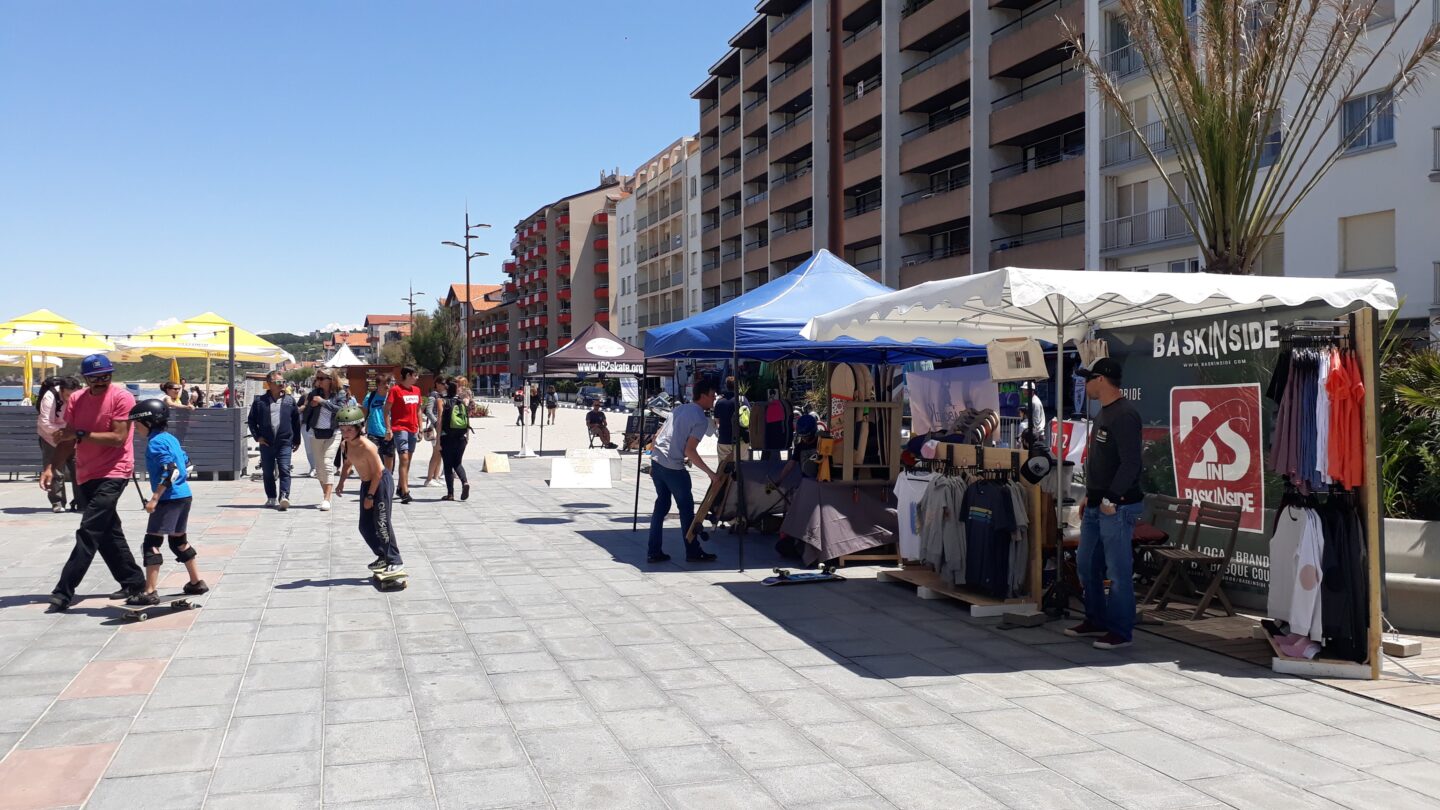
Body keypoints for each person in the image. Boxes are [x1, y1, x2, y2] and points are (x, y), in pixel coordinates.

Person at [38, 354, 147, 611]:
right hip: (86, 472)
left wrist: (79, 433)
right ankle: (134, 582)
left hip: (116, 471)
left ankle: (63, 590)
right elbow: (67, 439)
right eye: (94, 377)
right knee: (107, 531)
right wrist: (51, 467)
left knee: (89, 529)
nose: (100, 381)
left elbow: (118, 438)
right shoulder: (76, 399)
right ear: (85, 378)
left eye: (105, 376)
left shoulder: (122, 398)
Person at [1066, 358, 1145, 651]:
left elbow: (1131, 463)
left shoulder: (1124, 415)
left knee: (1118, 572)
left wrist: (1111, 497)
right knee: (1086, 564)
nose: (1084, 384)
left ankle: (1121, 631)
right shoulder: (1105, 412)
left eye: (1088, 378)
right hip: (1098, 503)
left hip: (1117, 506)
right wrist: (1092, 495)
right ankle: (1096, 619)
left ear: (1101, 379)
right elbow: (1104, 461)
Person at [127, 398, 208, 605]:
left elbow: (170, 471)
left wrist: (155, 498)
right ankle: (196, 582)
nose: (135, 429)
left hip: (168, 498)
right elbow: (186, 464)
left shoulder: (155, 442)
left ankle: (150, 591)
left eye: (137, 424)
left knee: (152, 543)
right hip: (184, 495)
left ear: (148, 422)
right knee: (178, 541)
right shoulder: (170, 438)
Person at [646, 379, 720, 564]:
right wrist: (711, 473)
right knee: (686, 509)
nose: (714, 399)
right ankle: (693, 551)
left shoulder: (679, 409)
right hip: (673, 467)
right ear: (703, 396)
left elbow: (658, 435)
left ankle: (653, 551)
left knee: (661, 506)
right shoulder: (700, 419)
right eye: (712, 396)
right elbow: (690, 450)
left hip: (657, 461)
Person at [337, 405, 404, 577]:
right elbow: (348, 463)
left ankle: (395, 561)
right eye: (342, 429)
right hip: (366, 483)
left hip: (380, 483)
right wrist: (341, 482)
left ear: (359, 427)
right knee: (365, 526)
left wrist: (370, 496)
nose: (345, 433)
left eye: (349, 429)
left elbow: (378, 473)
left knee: (382, 523)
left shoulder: (368, 446)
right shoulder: (345, 444)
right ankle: (382, 555)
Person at [246, 371, 302, 510]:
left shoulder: (290, 401)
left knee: (285, 469)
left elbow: (296, 422)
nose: (282, 384)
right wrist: (258, 437)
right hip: (266, 442)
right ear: (269, 384)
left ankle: (284, 496)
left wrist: (297, 440)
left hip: (284, 441)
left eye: (283, 381)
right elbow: (251, 421)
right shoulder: (260, 402)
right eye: (278, 382)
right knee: (267, 471)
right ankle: (271, 497)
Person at [36, 375, 82, 513]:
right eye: (67, 395)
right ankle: (57, 502)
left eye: (73, 395)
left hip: (73, 437)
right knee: (55, 471)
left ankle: (82, 501)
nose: (70, 399)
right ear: (61, 390)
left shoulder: (81, 396)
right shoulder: (50, 397)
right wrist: (63, 432)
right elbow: (44, 422)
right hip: (51, 438)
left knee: (79, 469)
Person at [303, 369, 346, 511]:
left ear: (331, 379)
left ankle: (327, 498)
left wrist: (322, 402)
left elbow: (341, 410)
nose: (318, 381)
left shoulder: (340, 393)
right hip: (316, 433)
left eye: (322, 378)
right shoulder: (314, 393)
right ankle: (325, 494)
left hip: (333, 432)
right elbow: (306, 414)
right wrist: (311, 406)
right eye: (318, 378)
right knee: (319, 467)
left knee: (327, 463)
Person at [385, 366, 423, 504]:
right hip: (400, 428)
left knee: (408, 460)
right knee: (404, 458)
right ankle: (405, 491)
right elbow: (386, 410)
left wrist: (421, 428)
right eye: (415, 375)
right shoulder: (395, 390)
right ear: (408, 375)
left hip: (413, 428)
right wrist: (388, 428)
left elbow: (418, 410)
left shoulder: (417, 390)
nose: (417, 378)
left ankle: (401, 487)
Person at [438, 380, 472, 501]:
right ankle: (465, 482)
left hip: (446, 437)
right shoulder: (461, 401)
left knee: (448, 465)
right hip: (461, 437)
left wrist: (437, 441)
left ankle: (450, 494)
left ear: (446, 389)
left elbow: (440, 421)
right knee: (457, 463)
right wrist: (467, 437)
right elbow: (467, 420)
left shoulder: (442, 401)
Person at [713, 377, 749, 468]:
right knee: (742, 468)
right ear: (738, 386)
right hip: (741, 440)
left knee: (724, 468)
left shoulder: (720, 402)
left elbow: (717, 421)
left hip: (724, 439)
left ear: (726, 386)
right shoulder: (743, 400)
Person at [422, 376, 447, 487]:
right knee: (436, 453)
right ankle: (429, 479)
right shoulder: (433, 395)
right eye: (443, 383)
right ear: (437, 383)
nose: (445, 385)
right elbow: (428, 411)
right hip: (435, 426)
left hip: (440, 426)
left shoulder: (441, 395)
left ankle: (436, 477)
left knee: (440, 453)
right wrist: (436, 423)